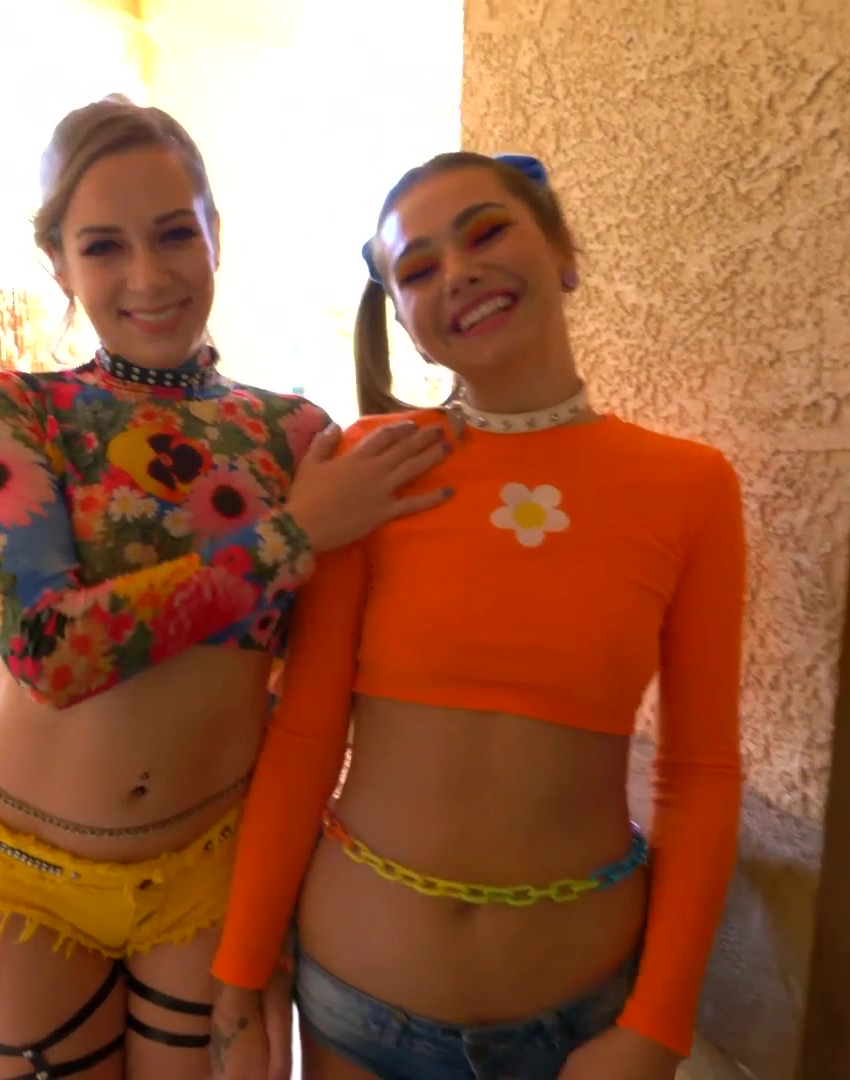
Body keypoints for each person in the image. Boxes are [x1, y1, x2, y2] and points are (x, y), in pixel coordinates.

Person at [0, 95, 453, 1080]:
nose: (148, 275)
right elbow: (47, 653)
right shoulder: (11, 411)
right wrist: (291, 537)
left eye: (176, 232)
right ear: (59, 263)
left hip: (216, 868)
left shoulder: (296, 436)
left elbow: (327, 666)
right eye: (103, 247)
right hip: (27, 874)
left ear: (217, 230)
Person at [207, 151, 747, 1079]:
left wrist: (660, 1023)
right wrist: (240, 970)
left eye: (487, 232)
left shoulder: (690, 488)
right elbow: (304, 732)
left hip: (580, 1027)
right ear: (408, 325)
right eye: (418, 269)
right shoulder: (374, 465)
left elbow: (699, 775)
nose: (457, 271)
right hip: (353, 1013)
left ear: (563, 253)